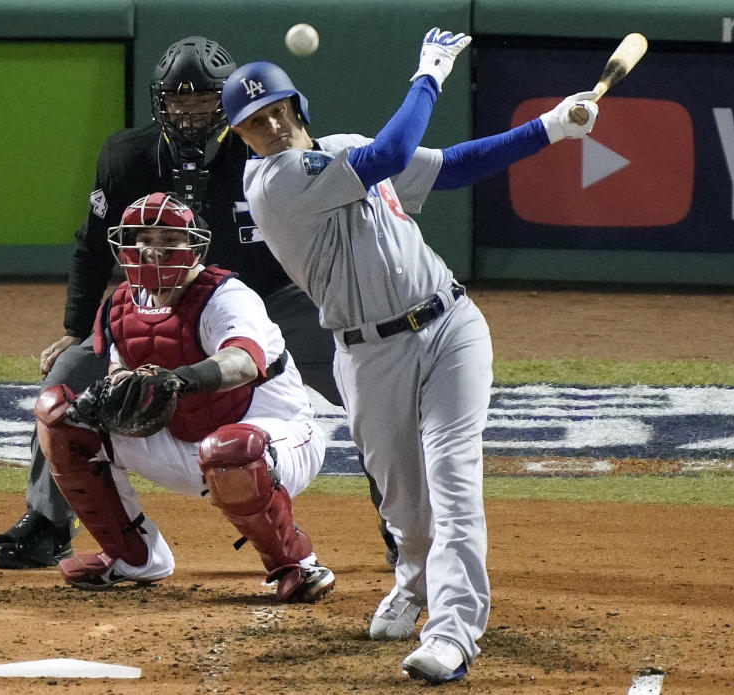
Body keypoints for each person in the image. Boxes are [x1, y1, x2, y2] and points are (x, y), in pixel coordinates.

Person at [220, 29, 599, 683]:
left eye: (279, 109)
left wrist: (552, 127)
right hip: (370, 359)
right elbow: (394, 149)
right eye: (255, 122)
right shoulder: (274, 183)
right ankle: (416, 581)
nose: (273, 126)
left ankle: (453, 632)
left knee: (453, 480)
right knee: (408, 514)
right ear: (243, 139)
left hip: (451, 327)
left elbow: (449, 166)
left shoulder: (342, 151)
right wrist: (429, 73)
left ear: (298, 106)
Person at [0, 35, 397, 569]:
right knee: (70, 372)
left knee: (367, 385)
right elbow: (93, 244)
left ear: (227, 105)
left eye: (204, 100)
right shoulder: (127, 156)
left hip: (280, 300)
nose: (190, 112)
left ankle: (401, 523)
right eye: (178, 101)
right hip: (166, 305)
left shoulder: (266, 148)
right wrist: (73, 326)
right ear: (160, 102)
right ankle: (46, 523)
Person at [32, 191, 335, 603]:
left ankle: (297, 564)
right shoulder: (120, 306)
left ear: (194, 249)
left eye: (168, 242)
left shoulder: (226, 297)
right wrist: (108, 397)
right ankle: (135, 557)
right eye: (145, 241)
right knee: (61, 418)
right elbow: (122, 374)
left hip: (272, 441)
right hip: (184, 445)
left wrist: (180, 381)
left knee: (230, 448)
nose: (154, 252)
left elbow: (242, 361)